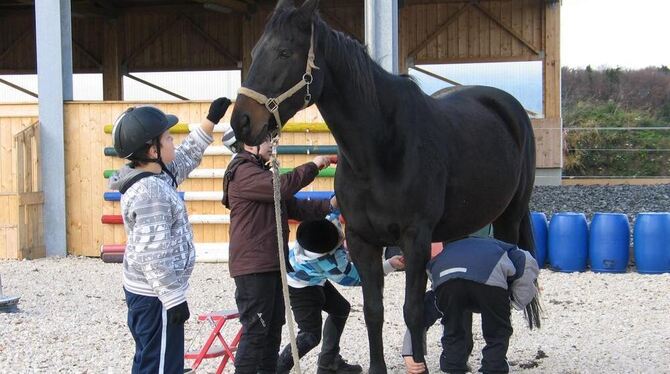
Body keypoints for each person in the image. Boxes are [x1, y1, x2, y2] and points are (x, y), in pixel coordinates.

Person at [109, 97, 232, 373]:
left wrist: (210, 121)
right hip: (157, 298)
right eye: (167, 138)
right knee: (162, 366)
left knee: (151, 360)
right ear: (153, 150)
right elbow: (154, 255)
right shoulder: (150, 192)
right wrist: (174, 298)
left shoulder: (155, 175)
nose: (172, 142)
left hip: (152, 294)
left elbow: (186, 156)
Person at [222, 135, 335, 374]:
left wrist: (331, 205)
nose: (273, 143)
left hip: (271, 265)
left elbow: (296, 207)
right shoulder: (243, 171)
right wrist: (314, 166)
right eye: (267, 139)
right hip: (255, 268)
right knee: (256, 331)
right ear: (250, 144)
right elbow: (283, 186)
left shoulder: (259, 174)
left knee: (272, 330)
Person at [276, 212, 405, 374]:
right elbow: (360, 278)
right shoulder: (332, 264)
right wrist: (390, 265)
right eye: (340, 240)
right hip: (299, 286)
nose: (343, 237)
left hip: (315, 278)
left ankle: (329, 361)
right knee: (310, 335)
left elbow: (333, 208)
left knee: (341, 309)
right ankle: (279, 368)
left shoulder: (325, 226)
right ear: (330, 251)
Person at [402, 237, 540, 374]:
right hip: (489, 276)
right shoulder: (508, 249)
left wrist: (409, 353)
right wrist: (514, 301)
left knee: (452, 324)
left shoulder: (443, 258)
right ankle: (493, 367)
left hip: (446, 277)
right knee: (497, 329)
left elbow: (418, 315)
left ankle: (453, 365)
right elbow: (528, 263)